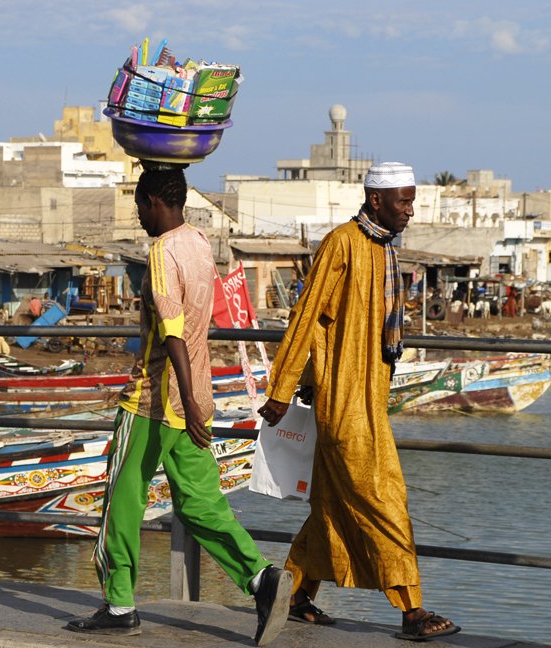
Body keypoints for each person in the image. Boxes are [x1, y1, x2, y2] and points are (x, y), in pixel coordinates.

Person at [66, 166, 292, 645]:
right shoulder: (200, 243)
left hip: (153, 400)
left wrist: (185, 399)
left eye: (138, 206)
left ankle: (120, 604)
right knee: (200, 502)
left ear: (153, 201)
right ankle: (260, 577)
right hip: (196, 397)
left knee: (122, 503)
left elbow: (172, 333)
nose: (138, 216)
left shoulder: (162, 251)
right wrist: (194, 402)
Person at [257, 162, 460, 642]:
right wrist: (282, 388)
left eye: (412, 201)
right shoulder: (341, 244)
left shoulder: (383, 248)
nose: (410, 211)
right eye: (404, 202)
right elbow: (306, 315)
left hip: (370, 397)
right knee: (382, 497)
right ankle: (411, 609)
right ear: (376, 200)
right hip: (345, 403)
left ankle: (294, 594)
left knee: (331, 505)